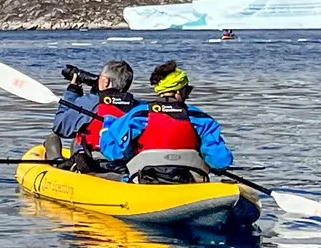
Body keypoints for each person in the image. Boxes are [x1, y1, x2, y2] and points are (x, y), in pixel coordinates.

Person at [99, 61, 234, 183]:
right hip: (189, 181)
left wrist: (107, 128)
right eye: (187, 90)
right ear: (178, 92)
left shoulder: (137, 115)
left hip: (144, 180)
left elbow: (113, 152)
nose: (188, 94)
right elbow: (221, 161)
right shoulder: (202, 119)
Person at [50, 60, 138, 170]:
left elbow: (60, 127)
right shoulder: (137, 107)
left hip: (91, 164)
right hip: (124, 164)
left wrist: (72, 91)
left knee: (52, 139)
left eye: (100, 76)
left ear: (105, 82)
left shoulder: (90, 103)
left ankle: (56, 163)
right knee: (75, 141)